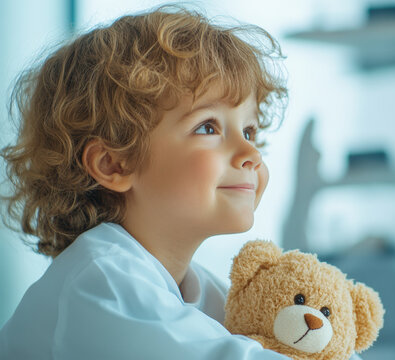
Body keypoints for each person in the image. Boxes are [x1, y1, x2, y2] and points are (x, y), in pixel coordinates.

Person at [0, 6, 362, 360]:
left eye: (249, 130)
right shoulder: (99, 280)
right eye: (208, 127)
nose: (251, 151)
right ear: (114, 163)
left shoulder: (194, 286)